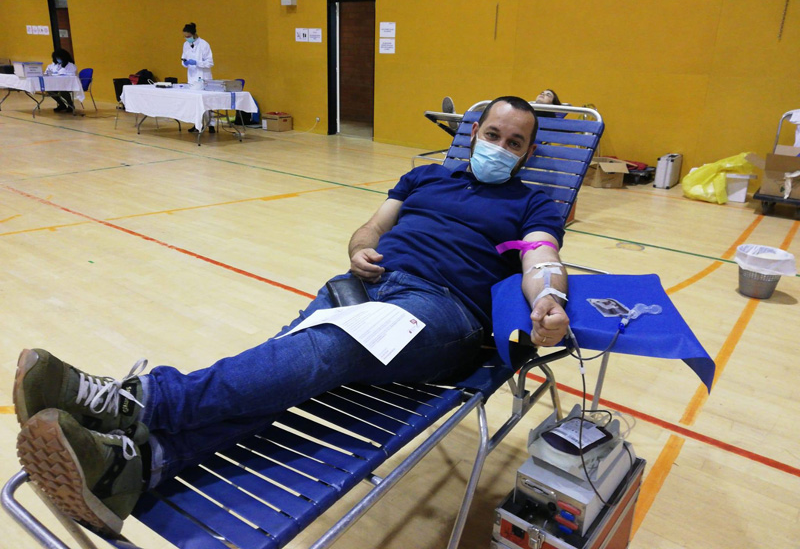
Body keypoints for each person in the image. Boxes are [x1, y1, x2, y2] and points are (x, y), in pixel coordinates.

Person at [14, 96, 570, 536]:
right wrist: (358, 250)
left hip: (442, 310)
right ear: (473, 133)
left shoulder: (532, 203)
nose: (500, 146)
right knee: (288, 361)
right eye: (493, 134)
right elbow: (372, 228)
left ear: (525, 154)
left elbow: (542, 259)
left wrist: (550, 298)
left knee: (324, 348)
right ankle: (142, 465)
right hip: (367, 284)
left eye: (514, 143)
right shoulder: (424, 176)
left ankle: (138, 400)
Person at [181, 22, 215, 133]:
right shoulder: (185, 45)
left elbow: (210, 63)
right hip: (192, 78)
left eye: (188, 36)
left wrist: (197, 62)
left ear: (194, 34)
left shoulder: (204, 44)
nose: (187, 38)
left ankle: (211, 125)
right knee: (194, 103)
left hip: (203, 77)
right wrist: (185, 63)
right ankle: (197, 124)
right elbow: (183, 58)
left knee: (206, 103)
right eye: (185, 37)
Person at [44, 48, 78, 113]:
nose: (57, 59)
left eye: (58, 57)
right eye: (56, 57)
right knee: (50, 91)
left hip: (69, 84)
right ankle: (62, 104)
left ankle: (70, 105)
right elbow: (48, 72)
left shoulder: (71, 65)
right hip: (57, 84)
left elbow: (71, 75)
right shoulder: (54, 65)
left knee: (62, 90)